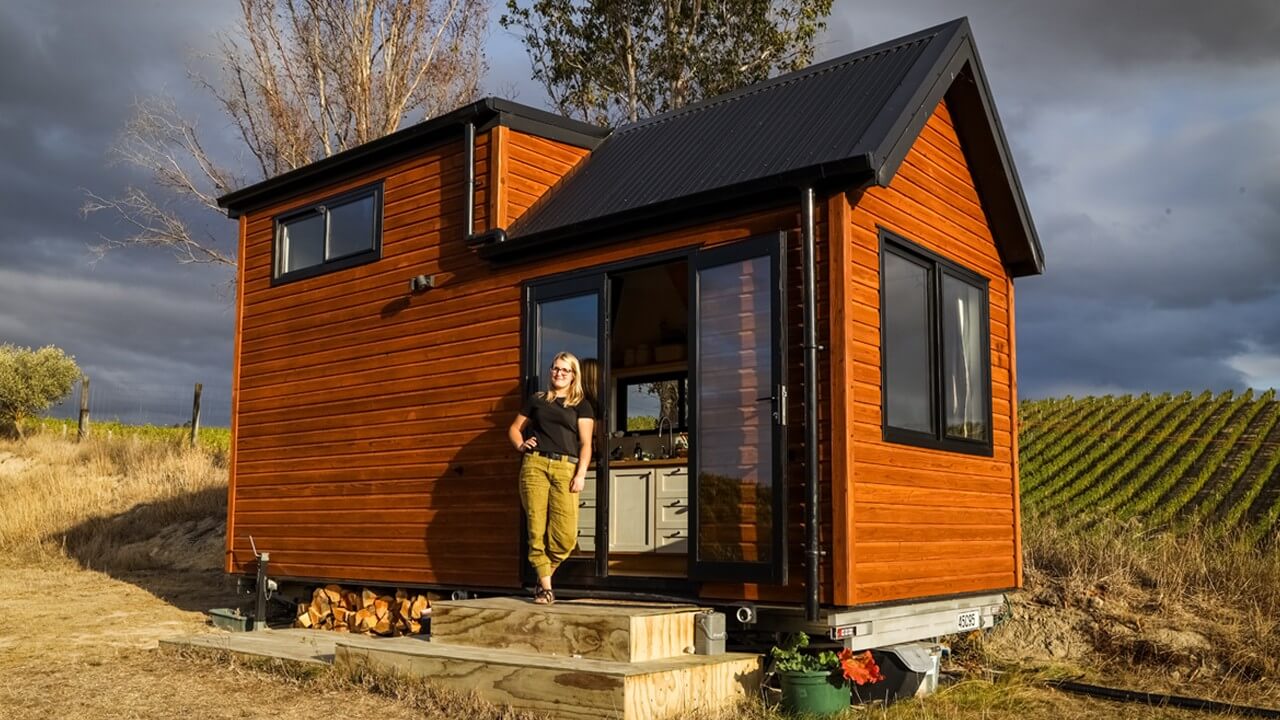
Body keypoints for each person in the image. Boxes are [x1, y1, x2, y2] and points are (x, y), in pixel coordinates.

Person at [508, 351, 594, 604]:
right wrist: (521, 445)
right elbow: (514, 429)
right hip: (535, 465)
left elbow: (586, 444)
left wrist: (581, 474)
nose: (558, 373)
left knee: (566, 537)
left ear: (573, 375)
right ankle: (546, 589)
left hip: (566, 468)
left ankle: (543, 574)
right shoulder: (537, 400)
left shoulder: (582, 404)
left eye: (565, 370)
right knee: (536, 529)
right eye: (555, 368)